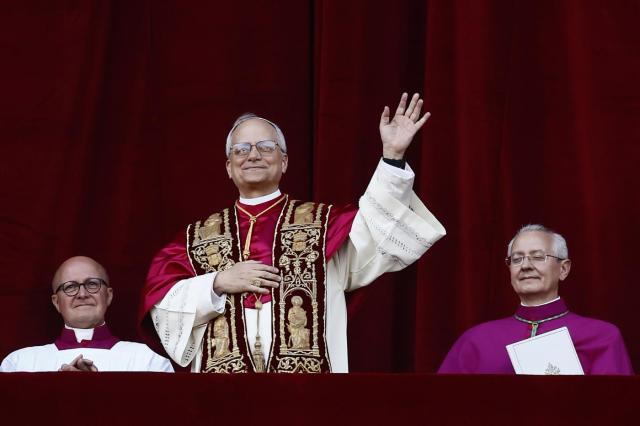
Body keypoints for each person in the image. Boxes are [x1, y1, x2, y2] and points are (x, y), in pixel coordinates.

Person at [139, 93, 446, 373]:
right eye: (241, 150)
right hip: (224, 400)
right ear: (229, 167)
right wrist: (217, 283)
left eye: (266, 147)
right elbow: (162, 306)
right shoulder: (196, 239)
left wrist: (392, 156)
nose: (253, 155)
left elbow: (379, 228)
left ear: (284, 162)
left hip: (306, 396)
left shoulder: (324, 224)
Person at [438, 224, 633, 375]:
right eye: (516, 259)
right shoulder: (476, 340)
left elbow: (617, 407)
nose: (525, 266)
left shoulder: (602, 337)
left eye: (538, 257)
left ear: (563, 269)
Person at [1, 256, 173, 372]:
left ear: (108, 296)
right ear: (56, 302)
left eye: (92, 284)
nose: (82, 294)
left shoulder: (149, 360)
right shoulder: (19, 364)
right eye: (70, 287)